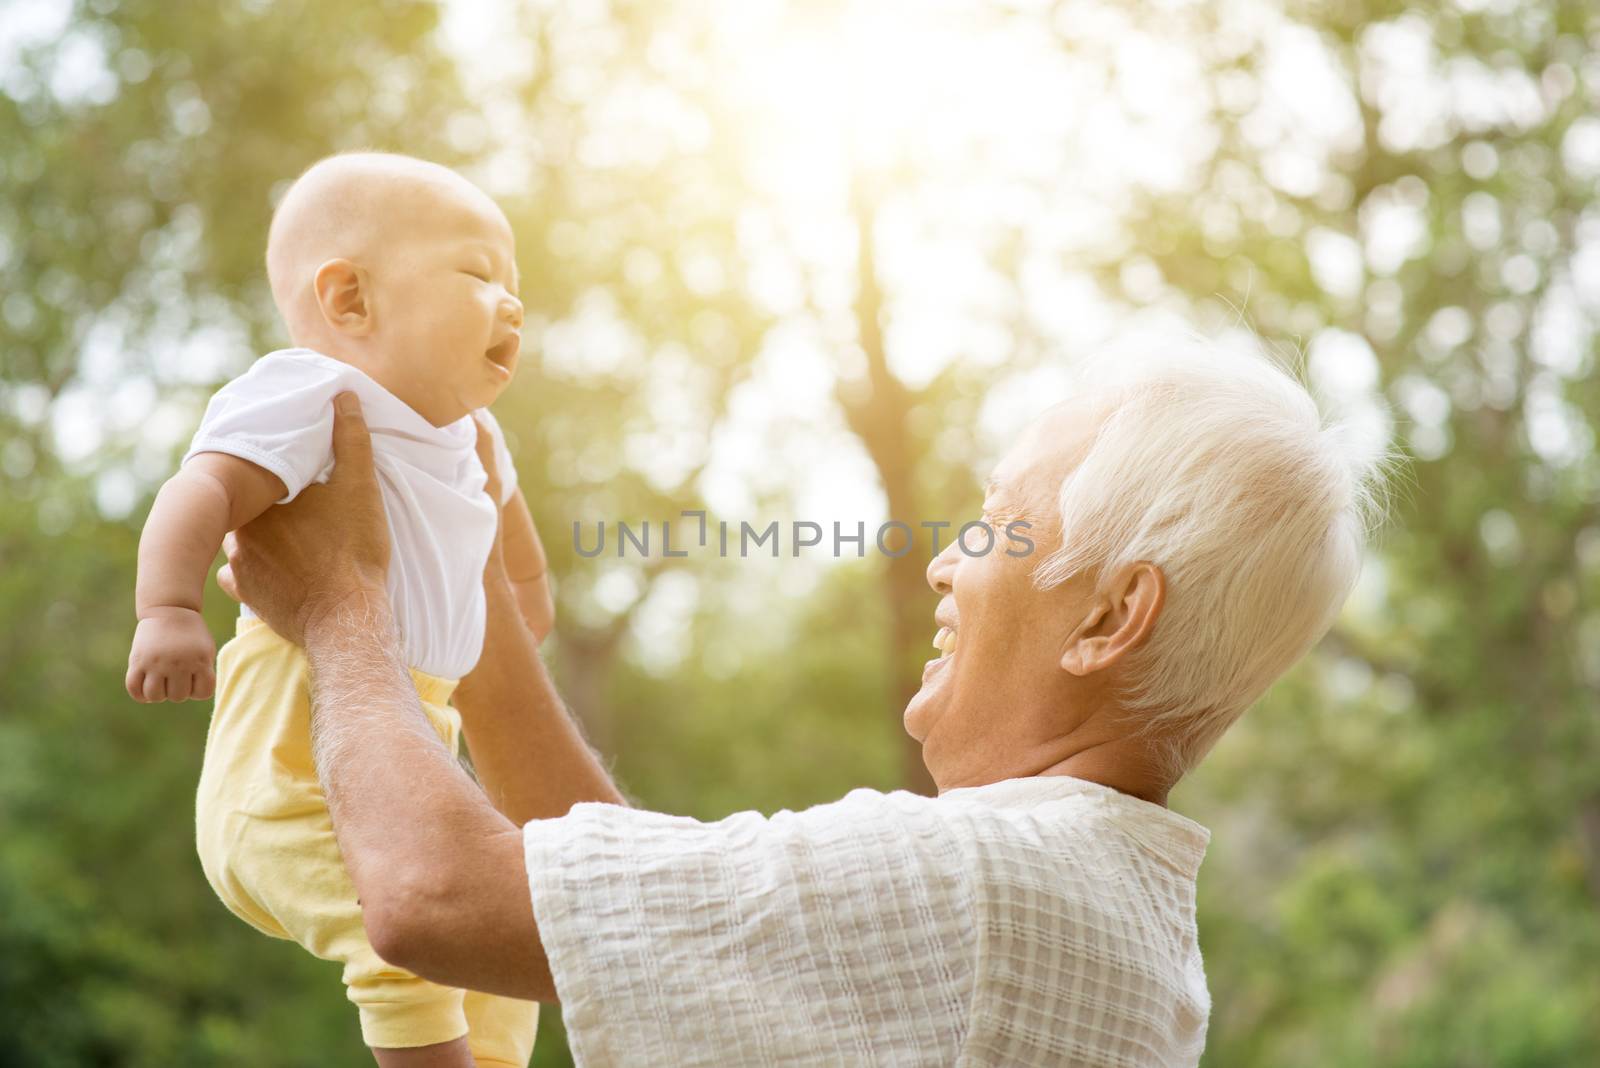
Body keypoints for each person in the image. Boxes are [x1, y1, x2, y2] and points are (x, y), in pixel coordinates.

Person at [218, 345, 1389, 1067]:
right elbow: (601, 902)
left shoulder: (988, 886)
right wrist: (458, 580)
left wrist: (344, 610)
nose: (944, 563)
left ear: (1108, 617)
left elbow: (434, 897)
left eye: (998, 522)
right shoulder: (1086, 896)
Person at [125, 153, 548, 1067]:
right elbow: (198, 492)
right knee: (412, 935)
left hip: (415, 734)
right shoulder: (311, 393)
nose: (511, 304)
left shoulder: (479, 436)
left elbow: (518, 564)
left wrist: (524, 611)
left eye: (515, 288)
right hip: (288, 758)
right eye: (478, 274)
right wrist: (166, 608)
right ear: (350, 300)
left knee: (516, 931)